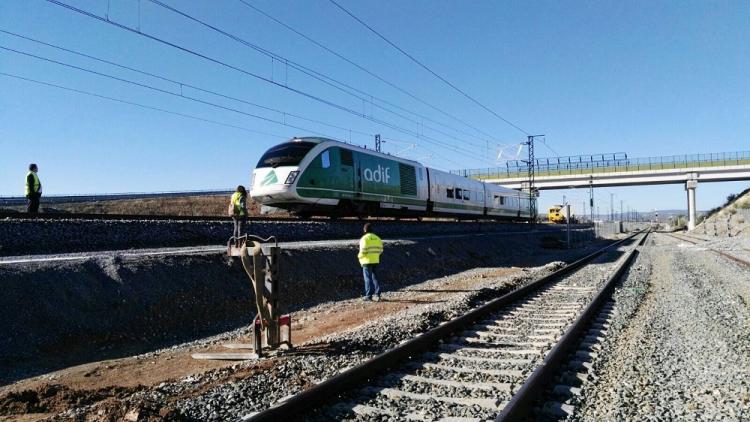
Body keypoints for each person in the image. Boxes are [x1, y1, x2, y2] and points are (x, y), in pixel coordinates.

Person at [358, 223, 384, 302]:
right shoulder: (377, 238)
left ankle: (369, 296)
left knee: (367, 278)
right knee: (375, 277)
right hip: (375, 260)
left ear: (365, 230)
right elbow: (381, 250)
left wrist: (359, 257)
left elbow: (363, 251)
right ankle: (378, 294)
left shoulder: (364, 238)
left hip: (366, 261)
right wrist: (375, 256)